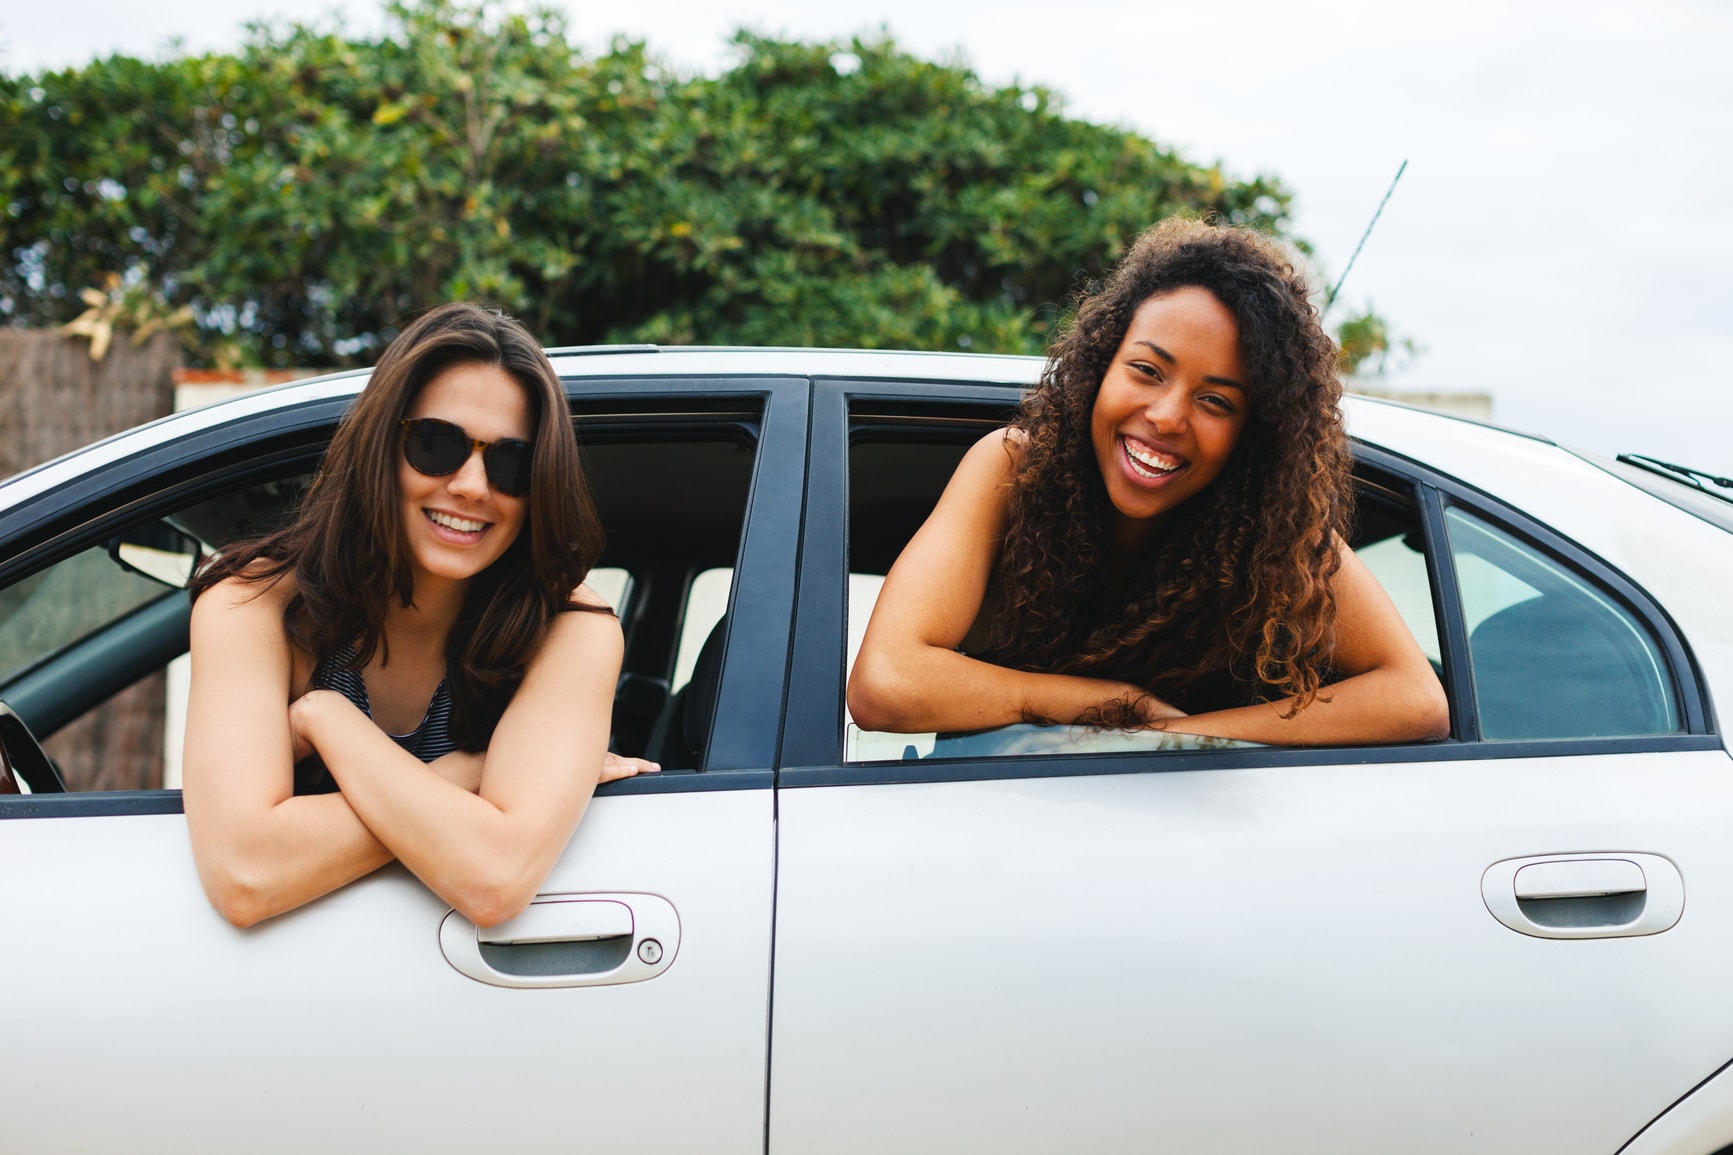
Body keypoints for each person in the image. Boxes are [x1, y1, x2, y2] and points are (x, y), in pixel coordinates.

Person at [848, 218, 1450, 745]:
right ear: (1100, 365)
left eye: (1215, 401)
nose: (1166, 416)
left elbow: (1414, 700)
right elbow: (886, 684)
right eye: (1145, 370)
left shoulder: (1270, 532)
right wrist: (1108, 706)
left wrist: (1164, 738)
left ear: (1252, 435)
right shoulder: (1012, 470)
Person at [183, 303, 653, 929]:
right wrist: (474, 771)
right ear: (381, 445)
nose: (472, 485)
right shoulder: (254, 603)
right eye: (436, 445)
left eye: (512, 463)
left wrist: (327, 719)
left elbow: (492, 882)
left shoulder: (569, 626)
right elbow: (245, 874)